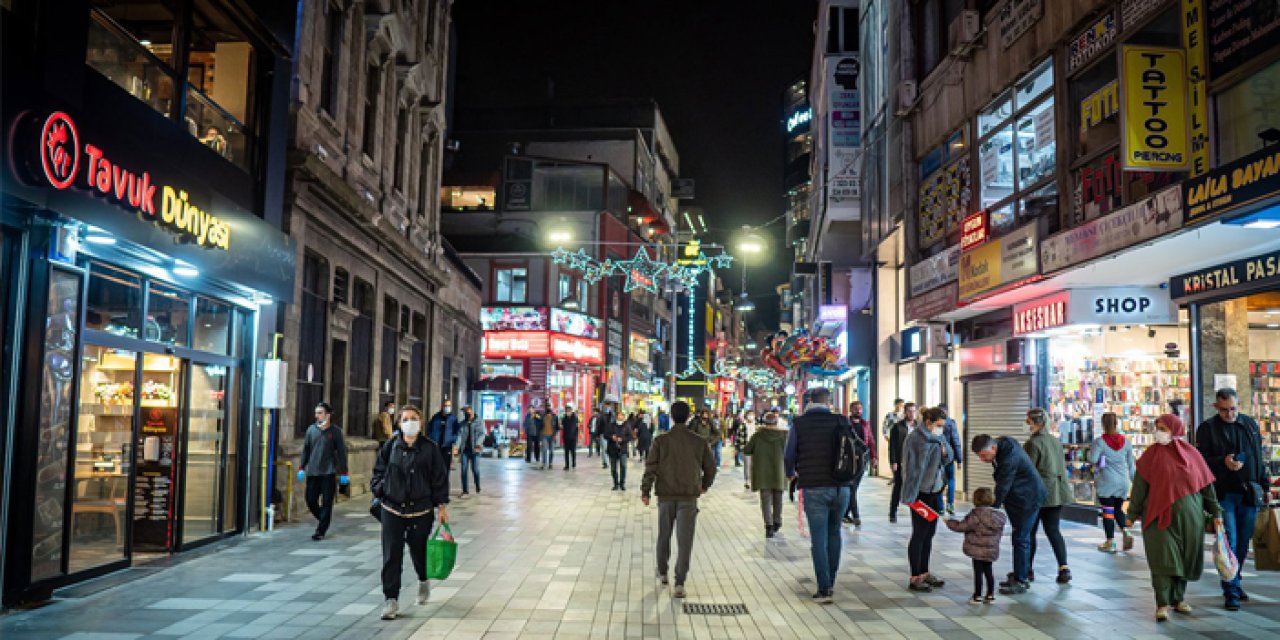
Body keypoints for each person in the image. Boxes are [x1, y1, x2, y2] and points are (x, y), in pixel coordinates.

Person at [1129, 414, 1222, 621]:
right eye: (1157, 428)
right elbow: (1139, 487)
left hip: (1191, 518)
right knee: (1162, 559)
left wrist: (1216, 512)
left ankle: (1178, 599)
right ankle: (1162, 602)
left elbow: (1207, 487)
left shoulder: (1193, 455)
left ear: (1175, 430)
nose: (1158, 432)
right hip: (1158, 517)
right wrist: (1131, 514)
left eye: (1163, 428)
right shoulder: (1150, 456)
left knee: (1184, 558)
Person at [1195, 388, 1273, 610]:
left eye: (1233, 409)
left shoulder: (1249, 424)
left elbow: (1258, 456)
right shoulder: (1208, 429)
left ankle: (1235, 580)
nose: (1230, 414)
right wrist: (1223, 461)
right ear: (1216, 407)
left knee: (1242, 543)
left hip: (1249, 493)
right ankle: (1231, 590)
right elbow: (1201, 463)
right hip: (1223, 495)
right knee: (1228, 541)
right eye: (1224, 410)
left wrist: (1265, 485)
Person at [371, 405, 450, 621]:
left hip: (421, 510)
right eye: (405, 418)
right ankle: (391, 599)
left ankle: (423, 580)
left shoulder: (430, 448)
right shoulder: (390, 447)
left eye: (414, 418)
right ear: (399, 423)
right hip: (392, 508)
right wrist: (381, 489)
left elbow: (439, 478)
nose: (410, 422)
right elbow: (378, 471)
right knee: (391, 555)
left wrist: (441, 506)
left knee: (419, 551)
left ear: (421, 422)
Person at [784, 387, 855, 604]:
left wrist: (790, 474)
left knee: (819, 539)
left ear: (809, 401)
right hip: (841, 487)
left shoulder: (799, 423)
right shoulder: (842, 421)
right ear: (828, 401)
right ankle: (831, 581)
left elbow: (789, 455)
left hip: (814, 487)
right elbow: (855, 450)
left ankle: (824, 587)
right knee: (835, 534)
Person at [641, 401, 717, 599]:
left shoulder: (661, 440)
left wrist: (645, 491)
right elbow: (711, 467)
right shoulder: (698, 442)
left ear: (672, 417)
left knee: (663, 535)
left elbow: (651, 467)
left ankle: (663, 572)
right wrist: (704, 485)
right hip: (688, 497)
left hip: (665, 495)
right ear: (689, 416)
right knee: (685, 541)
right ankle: (680, 582)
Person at [971, 433, 1045, 595]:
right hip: (1022, 497)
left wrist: (993, 509)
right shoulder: (1003, 446)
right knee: (1025, 536)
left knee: (1021, 538)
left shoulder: (1009, 456)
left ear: (993, 447)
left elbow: (1003, 485)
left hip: (1027, 498)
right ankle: (1024, 572)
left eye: (984, 456)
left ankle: (1021, 580)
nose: (982, 460)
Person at [900, 406, 953, 592]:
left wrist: (946, 453)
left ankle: (924, 572)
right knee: (919, 534)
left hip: (935, 491)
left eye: (943, 426)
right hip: (919, 493)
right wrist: (910, 496)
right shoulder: (915, 439)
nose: (941, 429)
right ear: (928, 423)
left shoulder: (938, 437)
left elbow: (948, 457)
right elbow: (911, 468)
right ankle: (915, 576)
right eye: (939, 425)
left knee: (929, 533)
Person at [1023, 408, 1073, 584]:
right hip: (1057, 492)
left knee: (1030, 532)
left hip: (1038, 493)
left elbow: (1028, 470)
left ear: (1037, 423)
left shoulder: (1032, 444)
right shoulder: (1055, 441)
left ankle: (1027, 569)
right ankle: (1064, 567)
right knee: (1053, 530)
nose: (1026, 425)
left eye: (1028, 422)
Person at [944, 487, 1007, 605]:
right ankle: (990, 594)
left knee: (978, 572)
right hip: (991, 550)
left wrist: (949, 522)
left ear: (975, 500)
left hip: (977, 550)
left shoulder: (975, 515)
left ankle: (977, 595)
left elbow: (961, 527)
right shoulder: (998, 516)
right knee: (989, 572)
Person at [301, 402, 348, 541]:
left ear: (327, 415)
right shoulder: (311, 430)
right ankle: (324, 517)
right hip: (313, 472)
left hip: (328, 472)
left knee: (327, 502)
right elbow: (306, 450)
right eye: (316, 413)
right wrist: (301, 467)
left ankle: (320, 531)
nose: (317, 416)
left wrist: (344, 473)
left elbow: (341, 453)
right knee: (310, 500)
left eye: (320, 413)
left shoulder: (335, 431)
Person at [1090, 412, 1137, 552]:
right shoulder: (1126, 442)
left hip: (1107, 481)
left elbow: (1093, 459)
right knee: (1118, 509)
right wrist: (1134, 481)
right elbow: (1131, 465)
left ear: (1103, 424)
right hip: (1123, 481)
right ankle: (1126, 531)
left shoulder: (1100, 442)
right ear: (1117, 423)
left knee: (1108, 512)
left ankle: (1110, 542)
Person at [745, 409, 788, 538]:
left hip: (762, 472)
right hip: (779, 471)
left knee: (765, 500)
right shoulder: (785, 436)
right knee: (778, 499)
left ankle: (768, 525)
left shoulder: (758, 436)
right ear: (776, 422)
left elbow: (747, 450)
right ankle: (777, 521)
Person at [887, 402, 918, 523]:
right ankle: (893, 512)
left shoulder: (918, 427)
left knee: (915, 488)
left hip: (915, 463)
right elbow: (893, 446)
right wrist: (893, 461)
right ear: (905, 412)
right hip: (901, 462)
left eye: (913, 411)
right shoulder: (897, 427)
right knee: (898, 487)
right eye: (909, 411)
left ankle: (916, 514)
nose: (911, 414)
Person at [844, 401, 873, 525]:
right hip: (849, 460)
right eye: (856, 409)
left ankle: (844, 514)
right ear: (851, 410)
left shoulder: (865, 424)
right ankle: (855, 515)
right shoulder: (846, 424)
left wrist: (874, 456)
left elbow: (870, 441)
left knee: (853, 488)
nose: (858, 411)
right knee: (852, 488)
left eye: (860, 409)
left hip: (862, 460)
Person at [937, 403, 963, 516]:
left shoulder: (935, 423)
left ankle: (940, 507)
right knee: (951, 480)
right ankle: (950, 504)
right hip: (949, 457)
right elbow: (956, 441)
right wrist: (959, 459)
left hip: (937, 458)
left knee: (938, 481)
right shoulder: (950, 423)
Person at [454, 406, 483, 496]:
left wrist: (478, 444)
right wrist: (456, 447)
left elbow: (482, 434)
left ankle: (477, 485)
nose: (466, 414)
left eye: (468, 412)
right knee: (463, 470)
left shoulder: (479, 422)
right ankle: (465, 490)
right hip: (465, 450)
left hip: (475, 450)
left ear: (472, 411)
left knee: (475, 470)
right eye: (465, 413)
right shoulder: (462, 424)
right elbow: (459, 436)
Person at [605, 410, 634, 490]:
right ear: (616, 417)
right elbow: (605, 435)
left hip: (623, 450)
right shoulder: (611, 425)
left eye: (622, 416)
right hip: (612, 449)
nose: (620, 417)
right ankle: (615, 484)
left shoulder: (627, 425)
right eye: (619, 415)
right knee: (613, 468)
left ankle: (622, 483)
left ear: (624, 417)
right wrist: (612, 437)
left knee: (623, 466)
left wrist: (623, 439)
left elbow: (630, 437)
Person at [427, 400, 458, 470]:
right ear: (442, 406)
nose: (447, 407)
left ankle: (445, 480)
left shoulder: (453, 419)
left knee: (446, 467)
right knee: (436, 466)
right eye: (445, 405)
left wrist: (453, 440)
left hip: (447, 446)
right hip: (436, 445)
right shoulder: (436, 417)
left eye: (448, 406)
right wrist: (431, 438)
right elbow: (429, 429)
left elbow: (457, 432)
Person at [741, 410, 759, 490]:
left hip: (756, 448)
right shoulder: (743, 425)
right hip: (746, 446)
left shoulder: (757, 426)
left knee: (755, 465)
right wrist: (739, 448)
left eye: (752, 414)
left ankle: (754, 480)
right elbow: (739, 437)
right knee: (747, 465)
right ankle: (747, 481)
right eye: (749, 414)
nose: (751, 416)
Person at [539, 401, 560, 470]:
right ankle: (543, 463)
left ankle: (550, 463)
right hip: (544, 435)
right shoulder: (542, 416)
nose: (548, 407)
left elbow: (557, 427)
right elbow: (540, 426)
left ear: (551, 407)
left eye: (549, 406)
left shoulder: (555, 417)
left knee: (551, 451)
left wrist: (555, 434)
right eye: (547, 406)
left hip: (552, 436)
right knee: (544, 450)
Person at [561, 405, 580, 469]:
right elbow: (562, 426)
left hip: (573, 438)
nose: (568, 412)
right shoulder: (564, 418)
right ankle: (567, 465)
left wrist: (577, 437)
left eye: (569, 410)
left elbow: (577, 428)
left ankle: (574, 463)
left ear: (571, 411)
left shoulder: (575, 418)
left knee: (573, 451)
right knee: (566, 452)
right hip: (566, 438)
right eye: (567, 411)